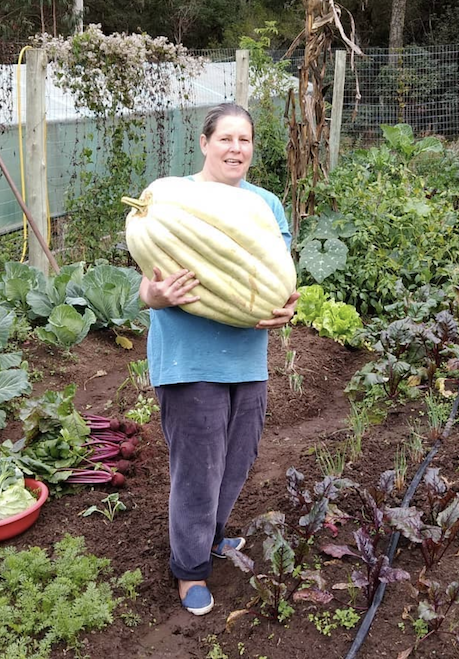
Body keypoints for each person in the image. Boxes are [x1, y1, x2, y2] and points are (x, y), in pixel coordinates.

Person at [138, 102, 299, 616]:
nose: (236, 148)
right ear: (205, 143)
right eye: (225, 138)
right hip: (188, 361)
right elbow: (148, 286)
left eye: (245, 140)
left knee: (236, 461)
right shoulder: (168, 199)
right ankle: (189, 570)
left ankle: (210, 537)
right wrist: (157, 297)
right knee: (198, 471)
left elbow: (276, 277)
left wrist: (286, 309)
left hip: (247, 359)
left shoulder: (266, 204)